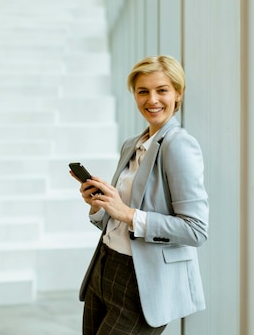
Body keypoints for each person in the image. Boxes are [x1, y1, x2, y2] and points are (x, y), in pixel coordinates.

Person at [70, 55, 209, 335]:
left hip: (142, 283)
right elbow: (117, 216)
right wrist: (99, 204)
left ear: (178, 93)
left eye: (162, 90)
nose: (152, 100)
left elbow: (196, 230)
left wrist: (128, 214)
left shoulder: (179, 145)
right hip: (105, 267)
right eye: (142, 91)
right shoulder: (133, 144)